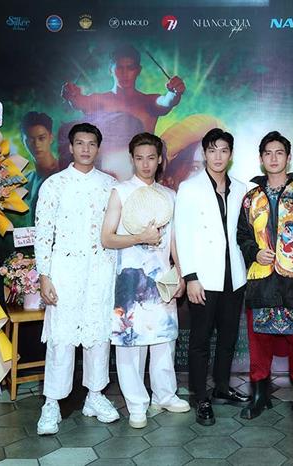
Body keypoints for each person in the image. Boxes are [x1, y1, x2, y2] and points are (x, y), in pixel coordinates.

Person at [236, 131, 293, 423]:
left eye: (279, 153)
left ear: (288, 158)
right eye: (268, 153)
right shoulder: (251, 199)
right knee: (259, 341)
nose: (273, 158)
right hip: (262, 279)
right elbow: (242, 236)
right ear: (261, 159)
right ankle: (259, 395)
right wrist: (254, 252)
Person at [34, 123, 119, 435]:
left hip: (101, 270)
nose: (85, 149)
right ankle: (52, 403)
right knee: (62, 337)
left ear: (98, 148)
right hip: (64, 271)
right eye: (80, 143)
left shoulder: (110, 185)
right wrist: (44, 275)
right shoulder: (54, 185)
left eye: (91, 143)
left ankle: (95, 396)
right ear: (70, 147)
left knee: (98, 334)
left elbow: (117, 231)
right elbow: (44, 233)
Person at [101, 132, 190, 429]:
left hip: (162, 277)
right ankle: (137, 404)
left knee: (164, 339)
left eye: (151, 158)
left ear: (160, 159)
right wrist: (140, 237)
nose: (146, 164)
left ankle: (164, 395)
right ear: (132, 159)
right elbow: (107, 238)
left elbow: (175, 240)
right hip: (129, 279)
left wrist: (181, 273)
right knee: (130, 342)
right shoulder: (120, 192)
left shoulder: (170, 195)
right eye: (139, 158)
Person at [174, 128, 250, 426]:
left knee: (229, 337)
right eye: (212, 150)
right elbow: (182, 234)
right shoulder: (189, 188)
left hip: (235, 275)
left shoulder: (241, 188)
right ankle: (200, 396)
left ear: (230, 154)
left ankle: (221, 386)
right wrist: (191, 276)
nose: (218, 156)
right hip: (203, 278)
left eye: (224, 150)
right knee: (201, 340)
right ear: (204, 153)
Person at [61, 45, 186, 180]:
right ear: (110, 69)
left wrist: (175, 92)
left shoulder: (149, 102)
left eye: (130, 68)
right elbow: (79, 102)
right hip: (105, 176)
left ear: (138, 70)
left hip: (142, 176)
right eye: (120, 68)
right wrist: (72, 94)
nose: (125, 73)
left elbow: (167, 101)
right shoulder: (99, 100)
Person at [14, 112, 60, 227]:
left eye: (42, 138)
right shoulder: (26, 180)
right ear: (23, 141)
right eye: (30, 139)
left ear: (51, 138)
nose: (36, 144)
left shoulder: (64, 172)